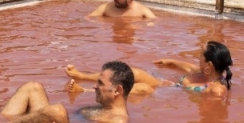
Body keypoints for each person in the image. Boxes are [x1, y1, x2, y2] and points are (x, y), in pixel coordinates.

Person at [0, 61, 134, 123]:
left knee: (57, 111)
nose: (95, 86)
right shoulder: (105, 108)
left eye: (100, 83)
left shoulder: (117, 122)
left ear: (117, 91)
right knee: (33, 87)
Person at [65, 41, 233, 97]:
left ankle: (86, 91)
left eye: (200, 55)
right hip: (164, 85)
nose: (197, 57)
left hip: (165, 95)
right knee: (133, 72)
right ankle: (83, 76)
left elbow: (212, 107)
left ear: (209, 66)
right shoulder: (201, 71)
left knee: (142, 88)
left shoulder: (216, 90)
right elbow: (183, 66)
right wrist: (169, 62)